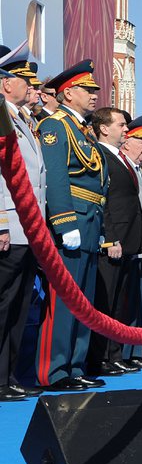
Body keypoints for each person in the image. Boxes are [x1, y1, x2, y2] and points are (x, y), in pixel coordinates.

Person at [36, 60, 108, 391]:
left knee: (84, 300)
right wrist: (64, 221)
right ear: (68, 93)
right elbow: (57, 176)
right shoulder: (55, 125)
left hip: (91, 220)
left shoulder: (83, 130)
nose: (94, 95)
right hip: (73, 219)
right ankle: (55, 371)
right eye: (88, 90)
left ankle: (76, 367)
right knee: (65, 299)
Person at [0, 44, 46, 401]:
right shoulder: (3, 117)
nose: (31, 87)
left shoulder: (22, 120)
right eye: (23, 80)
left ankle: (11, 374)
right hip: (10, 227)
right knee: (5, 304)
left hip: (29, 229)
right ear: (6, 84)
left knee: (19, 306)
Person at [88, 107, 142, 377]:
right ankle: (99, 358)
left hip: (129, 239)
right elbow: (103, 199)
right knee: (105, 303)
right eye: (121, 124)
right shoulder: (99, 154)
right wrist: (110, 238)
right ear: (104, 128)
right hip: (113, 241)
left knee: (121, 303)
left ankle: (115, 354)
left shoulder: (119, 157)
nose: (125, 129)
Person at [119, 116, 142, 370]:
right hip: (127, 244)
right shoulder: (125, 168)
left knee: (138, 301)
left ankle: (134, 352)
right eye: (140, 142)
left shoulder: (140, 171)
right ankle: (121, 354)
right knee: (124, 302)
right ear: (126, 142)